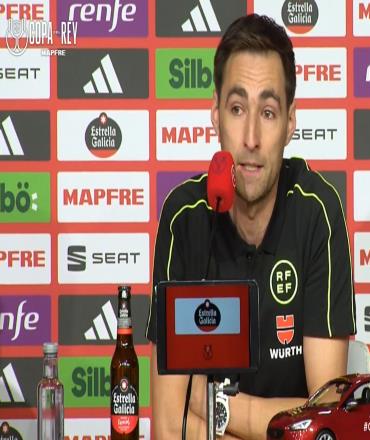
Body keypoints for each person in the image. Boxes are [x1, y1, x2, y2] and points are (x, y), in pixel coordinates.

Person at [146, 13, 356, 439]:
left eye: (269, 112)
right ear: (215, 114)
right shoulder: (185, 218)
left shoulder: (318, 212)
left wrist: (215, 406)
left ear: (290, 123)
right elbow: (169, 426)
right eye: (238, 109)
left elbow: (324, 422)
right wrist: (281, 418)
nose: (252, 138)